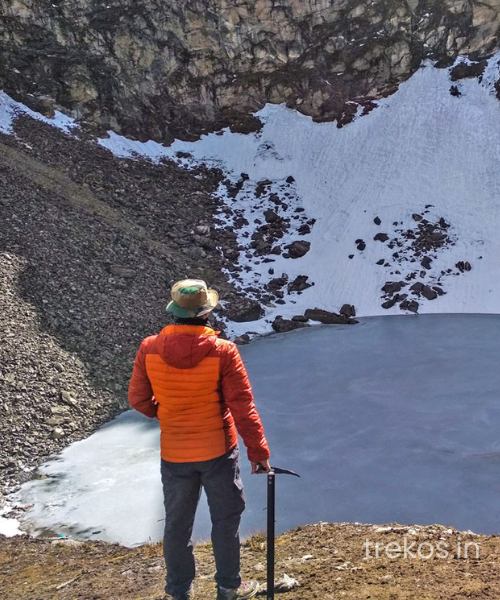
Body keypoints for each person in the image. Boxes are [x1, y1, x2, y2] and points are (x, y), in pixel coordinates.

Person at [128, 279, 271, 600]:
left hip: (175, 453)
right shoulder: (223, 351)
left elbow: (138, 398)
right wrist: (259, 452)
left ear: (175, 312)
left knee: (177, 524)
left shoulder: (149, 348)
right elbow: (242, 406)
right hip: (218, 452)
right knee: (225, 519)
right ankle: (229, 587)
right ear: (207, 313)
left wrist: (167, 414)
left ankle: (178, 591)